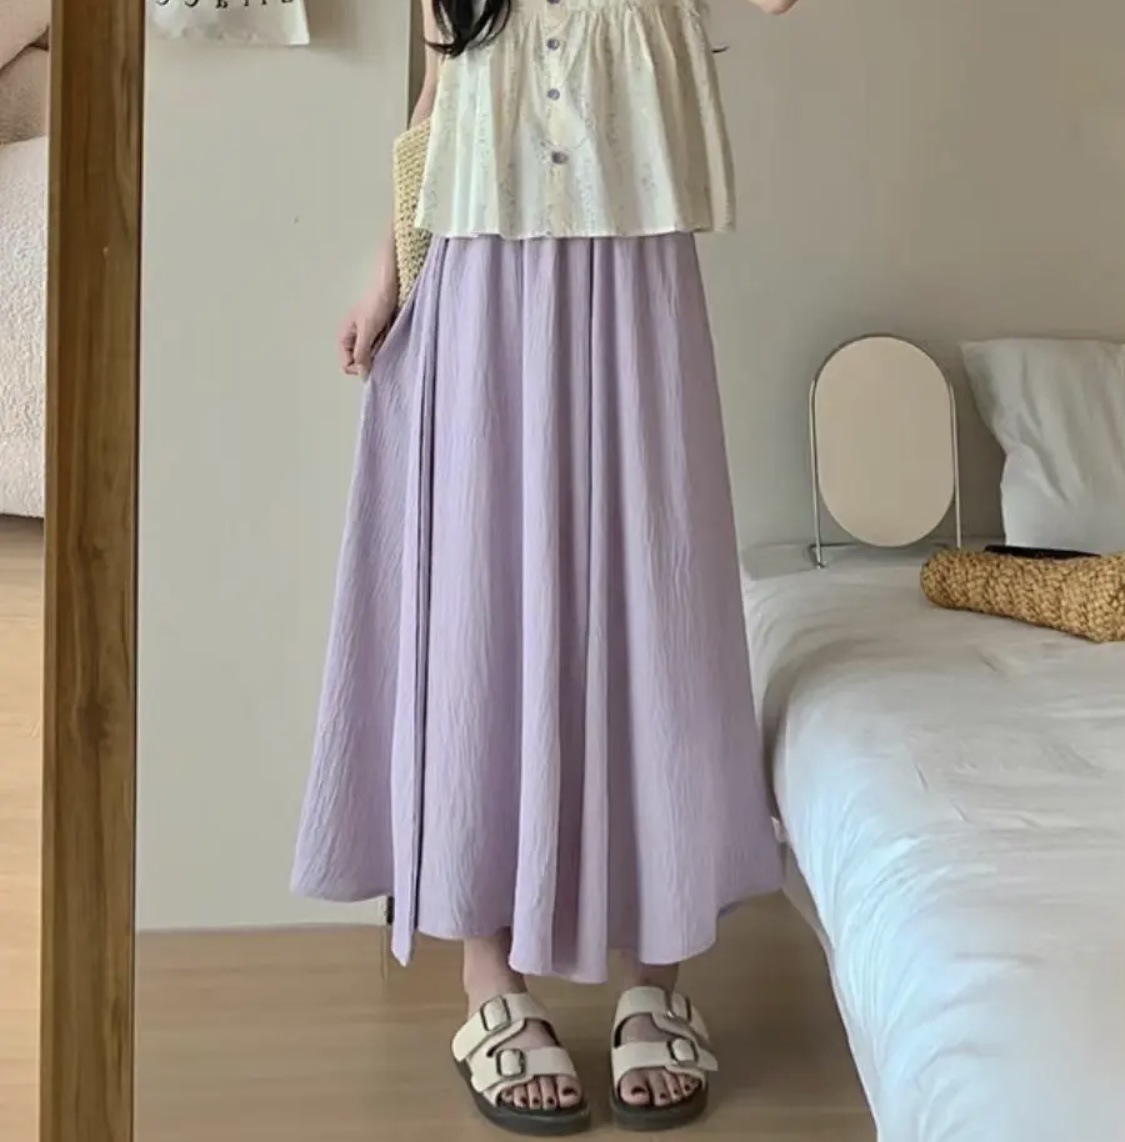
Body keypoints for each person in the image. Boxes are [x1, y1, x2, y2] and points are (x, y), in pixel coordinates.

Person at [293, 0, 799, 1132]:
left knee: (654, 605)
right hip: (479, 288)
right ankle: (490, 981)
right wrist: (388, 276)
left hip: (637, 286)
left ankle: (658, 971)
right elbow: (435, 110)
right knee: (484, 609)